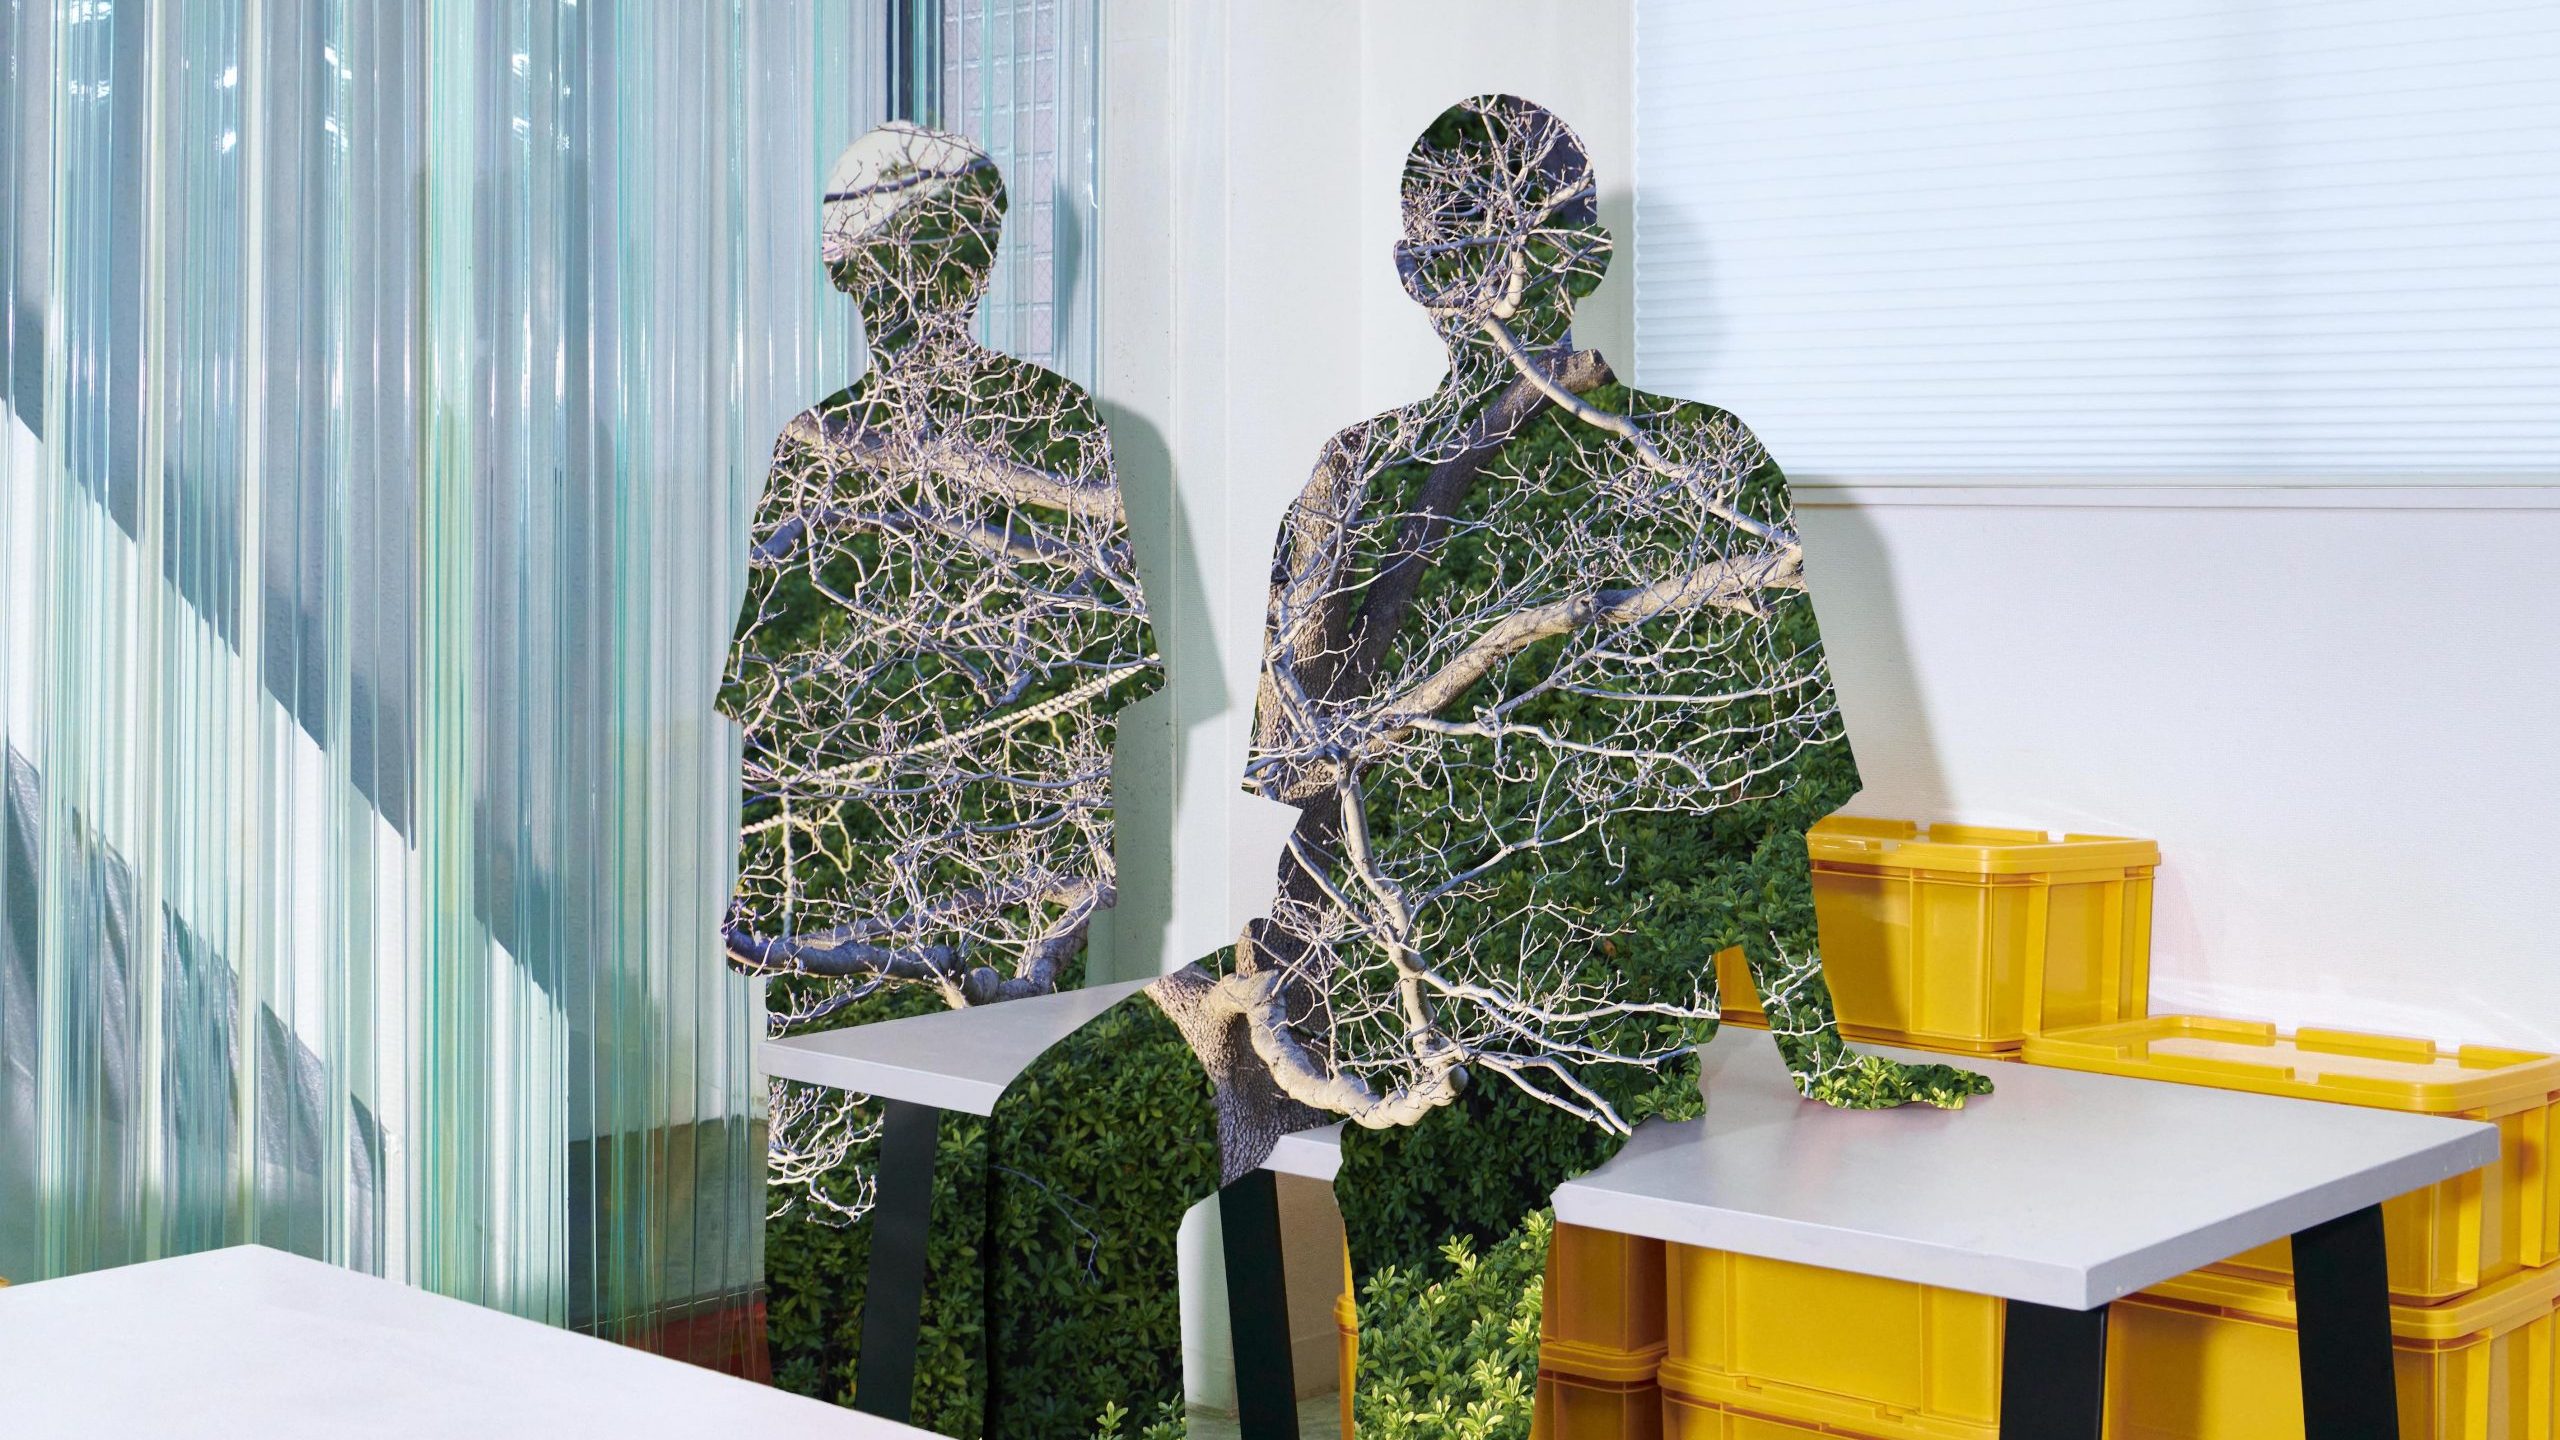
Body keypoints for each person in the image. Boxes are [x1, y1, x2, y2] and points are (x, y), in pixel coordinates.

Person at [716, 122, 1163, 1432]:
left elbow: (1087, 698)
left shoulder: (1046, 432)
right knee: (851, 1212)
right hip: (865, 908)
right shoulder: (823, 445)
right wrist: (769, 908)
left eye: (880, 257)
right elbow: (773, 712)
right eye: (858, 264)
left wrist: (1055, 906)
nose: (871, 289)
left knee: (971, 1214)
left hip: (988, 908)